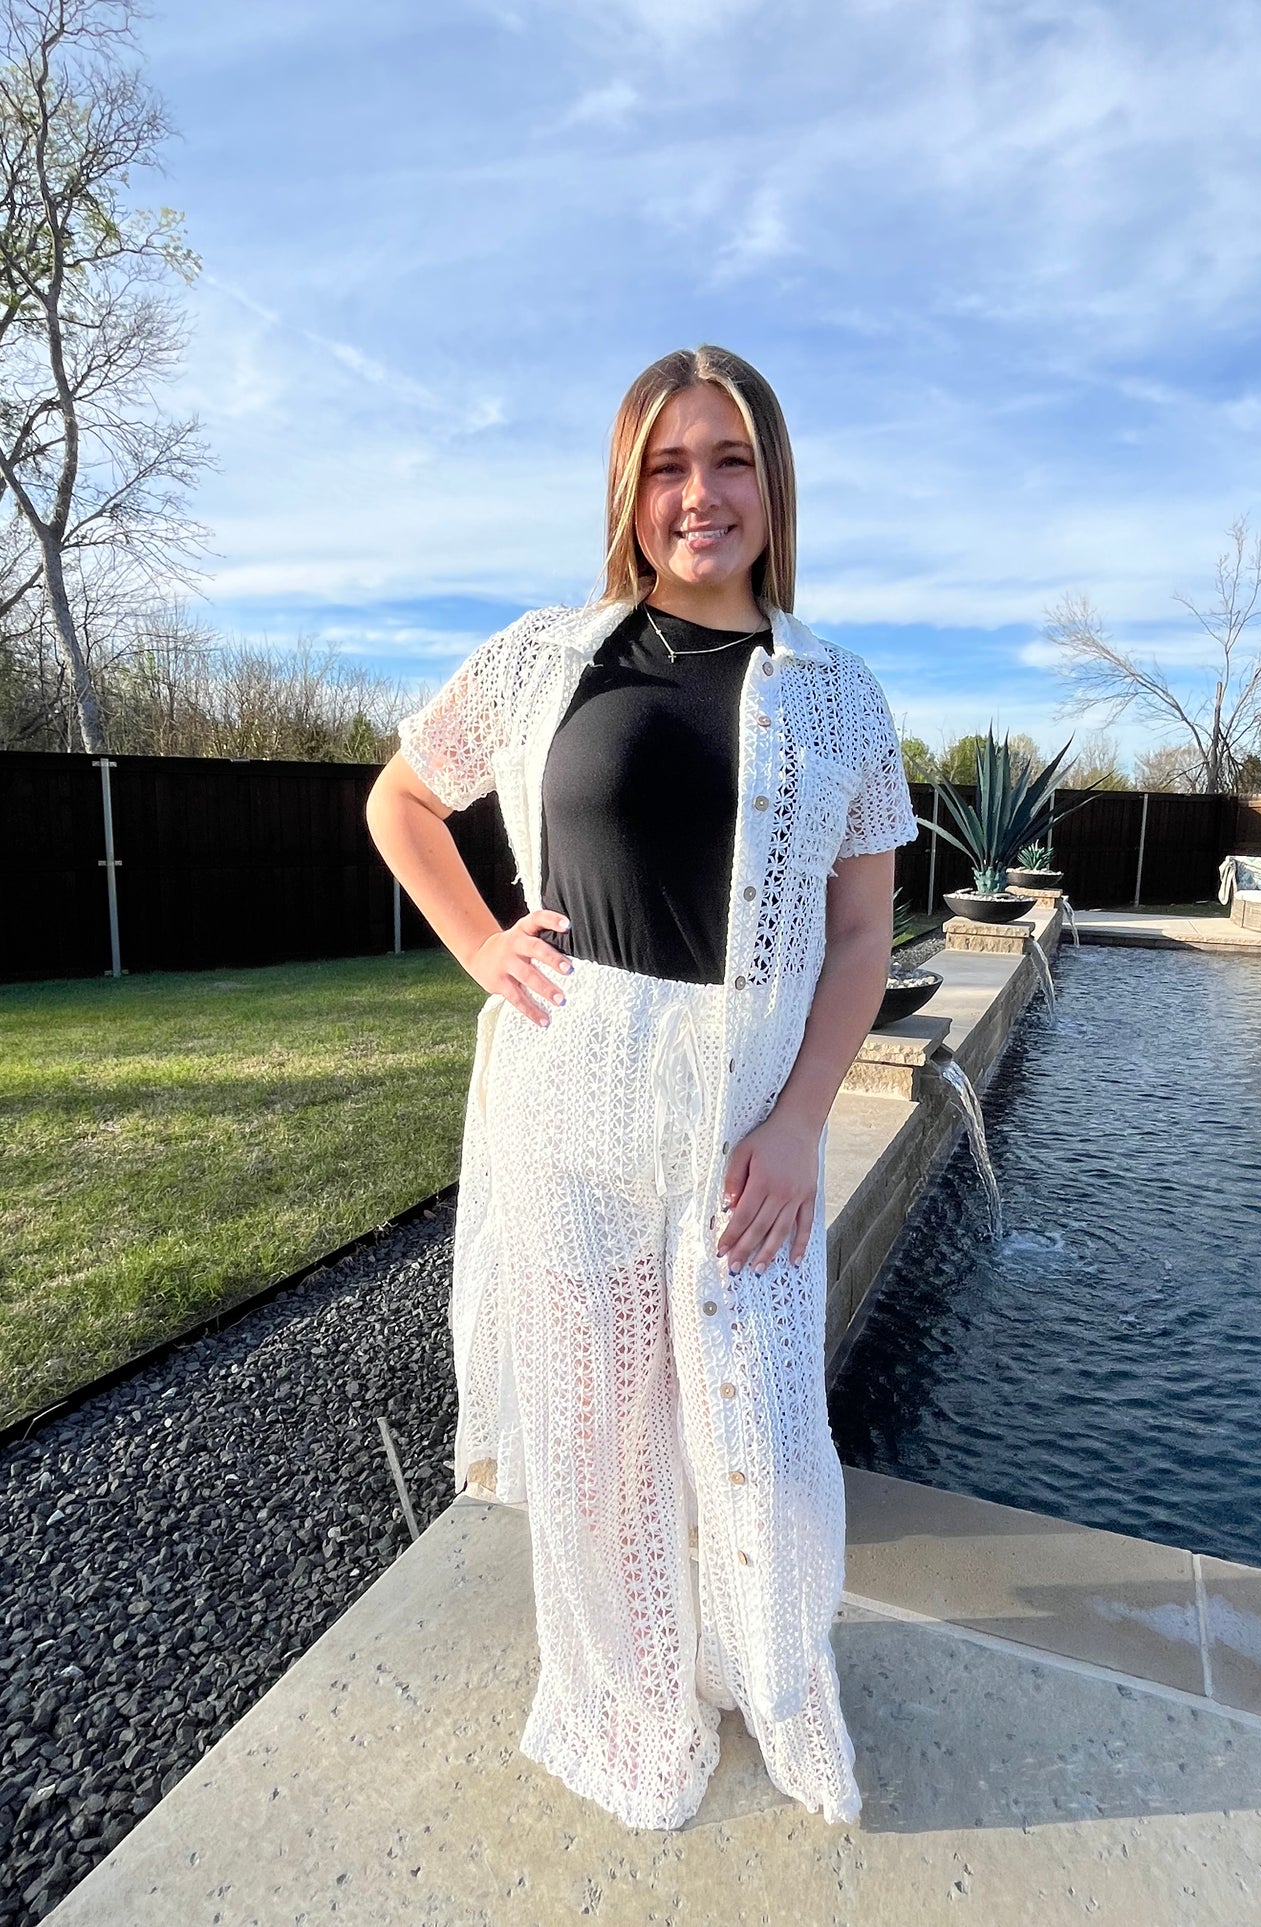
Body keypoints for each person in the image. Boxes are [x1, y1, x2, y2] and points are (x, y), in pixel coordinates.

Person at [365, 344, 918, 1832]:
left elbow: (861, 932)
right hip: (571, 1100)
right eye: (667, 466)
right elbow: (401, 797)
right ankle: (629, 1703)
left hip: (744, 1116)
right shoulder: (551, 655)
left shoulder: (840, 697)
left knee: (763, 1439)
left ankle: (770, 1678)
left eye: (727, 459)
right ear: (627, 486)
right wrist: (483, 944)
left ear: (771, 479)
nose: (699, 494)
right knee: (602, 1437)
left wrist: (804, 1119)